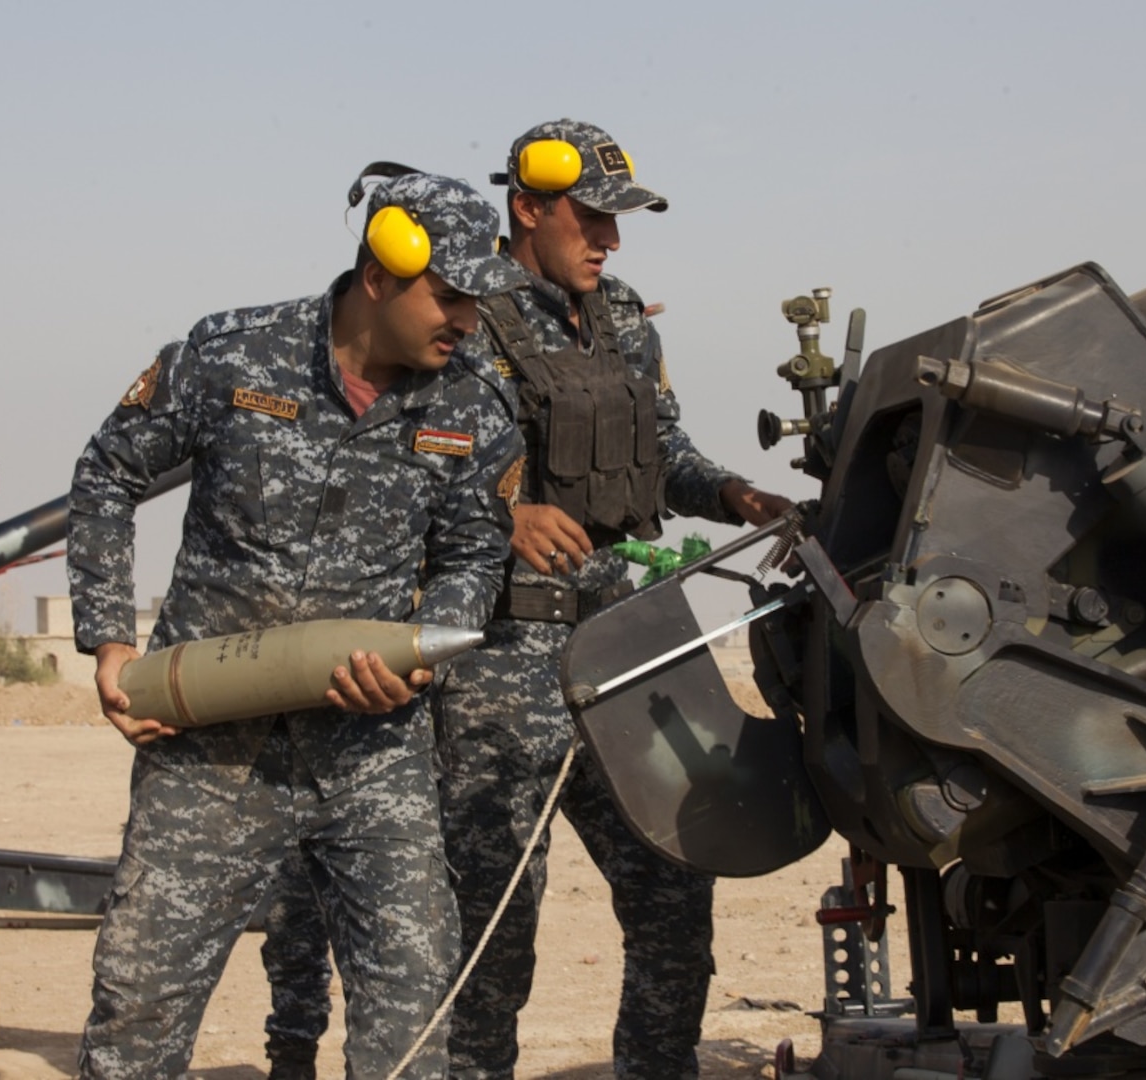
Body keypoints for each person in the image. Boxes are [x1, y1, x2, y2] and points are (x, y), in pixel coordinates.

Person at [260, 120, 794, 1080]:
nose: (610, 241)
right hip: (500, 659)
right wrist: (503, 517)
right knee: (494, 937)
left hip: (626, 644)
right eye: (591, 219)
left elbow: (663, 453)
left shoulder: (625, 317)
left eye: (619, 222)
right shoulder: (457, 312)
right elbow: (397, 456)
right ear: (529, 208)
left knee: (675, 908)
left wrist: (731, 496)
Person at [67, 169, 526, 1080]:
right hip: (210, 750)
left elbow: (476, 557)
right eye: (450, 296)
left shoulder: (475, 404)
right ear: (379, 276)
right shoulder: (234, 356)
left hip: (373, 755)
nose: (467, 321)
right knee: (138, 1012)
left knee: (412, 1009)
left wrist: (423, 656)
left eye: (479, 302)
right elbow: (107, 475)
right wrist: (112, 638)